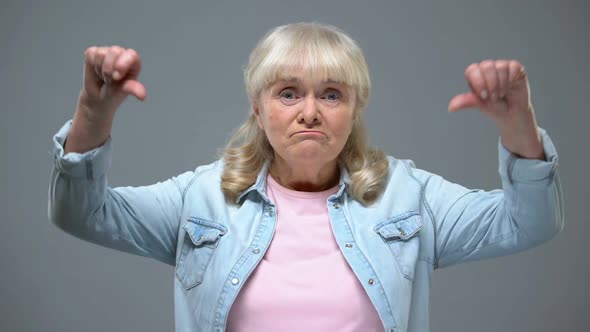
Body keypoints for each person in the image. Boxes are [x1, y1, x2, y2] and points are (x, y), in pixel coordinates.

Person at [48, 22, 564, 332]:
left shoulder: (408, 196)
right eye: (289, 93)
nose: (310, 112)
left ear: (354, 107)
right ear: (258, 107)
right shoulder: (201, 198)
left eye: (332, 94)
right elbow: (81, 213)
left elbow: (528, 223)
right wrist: (94, 113)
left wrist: (517, 124)